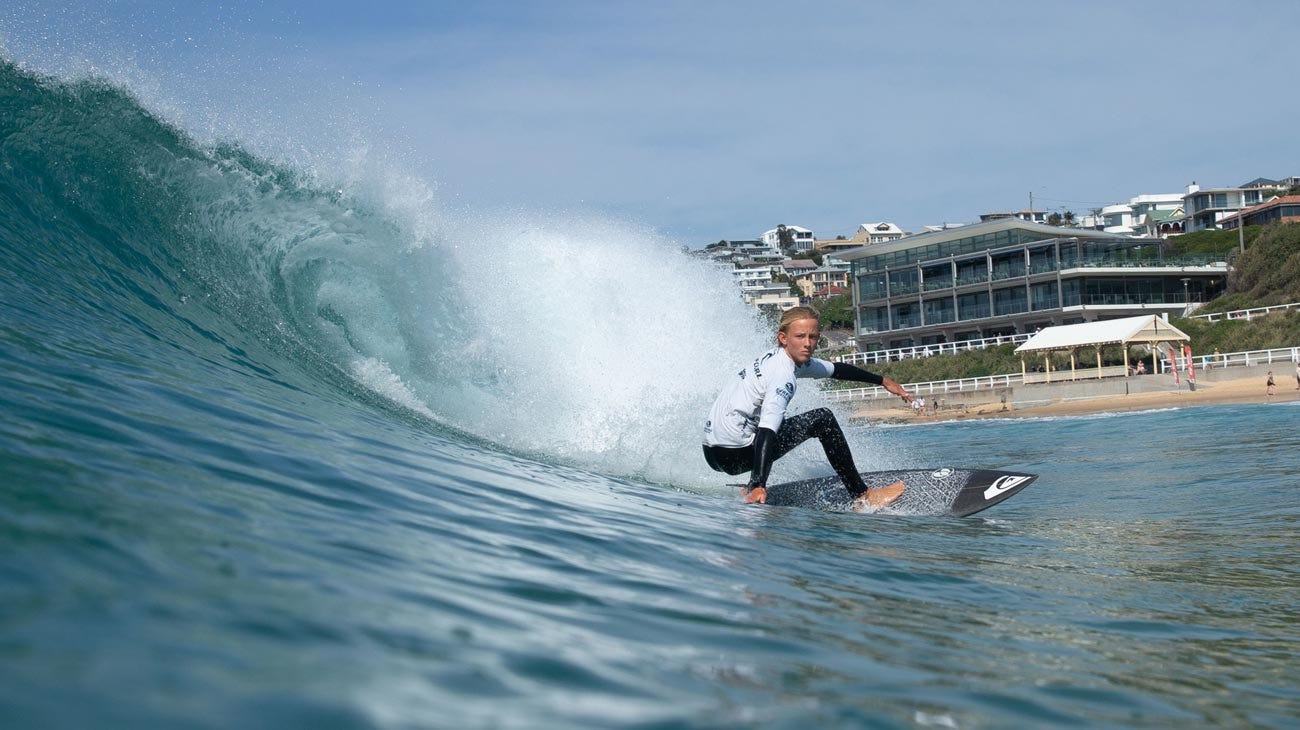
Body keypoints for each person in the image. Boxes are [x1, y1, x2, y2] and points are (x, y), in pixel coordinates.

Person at [702, 306, 914, 510]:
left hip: (712, 451)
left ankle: (751, 485)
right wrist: (759, 485)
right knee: (822, 419)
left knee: (782, 420)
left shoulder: (777, 357)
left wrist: (883, 381)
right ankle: (863, 496)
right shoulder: (783, 375)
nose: (808, 343)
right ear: (783, 338)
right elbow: (767, 429)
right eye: (800, 336)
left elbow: (836, 370)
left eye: (813, 337)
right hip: (733, 456)